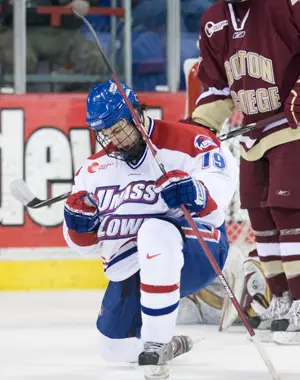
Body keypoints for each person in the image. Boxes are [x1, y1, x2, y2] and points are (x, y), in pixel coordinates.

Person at [62, 80, 238, 378]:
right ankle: (170, 343)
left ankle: (156, 343)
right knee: (113, 348)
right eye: (105, 133)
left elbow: (221, 181)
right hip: (137, 264)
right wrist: (79, 228)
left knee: (154, 231)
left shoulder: (189, 140)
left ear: (135, 113)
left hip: (200, 250)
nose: (113, 139)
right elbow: (86, 246)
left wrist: (195, 190)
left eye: (118, 128)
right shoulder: (92, 171)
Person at [190, 0, 300, 342]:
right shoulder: (214, 20)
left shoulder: (285, 5)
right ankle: (281, 300)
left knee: (289, 216)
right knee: (261, 219)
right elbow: (218, 88)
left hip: (292, 127)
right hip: (252, 135)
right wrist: (197, 130)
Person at [0, 0, 107, 91]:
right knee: (14, 54)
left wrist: (84, 2)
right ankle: (12, 97)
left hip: (64, 33)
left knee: (97, 58)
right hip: (17, 32)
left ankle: (88, 105)